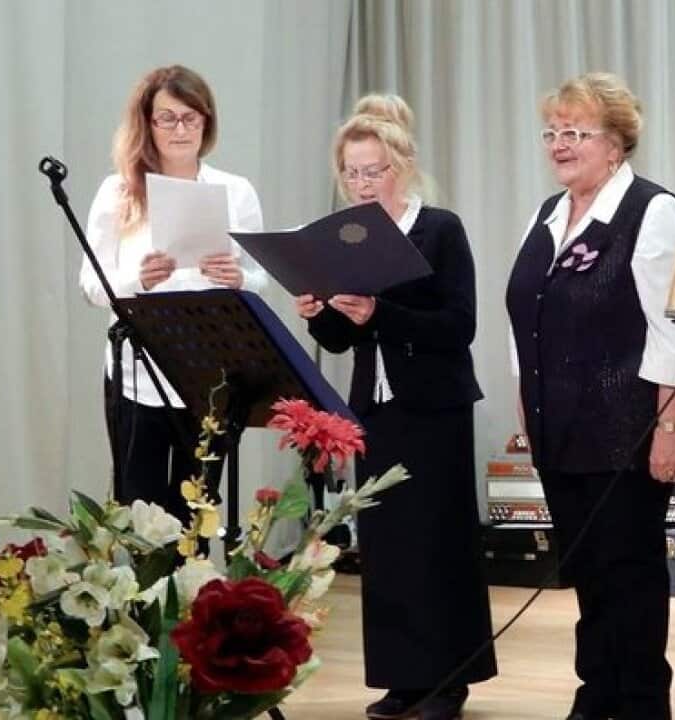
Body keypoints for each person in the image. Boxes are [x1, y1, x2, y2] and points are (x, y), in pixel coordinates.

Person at [505, 72, 675, 720]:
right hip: (560, 430)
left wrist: (670, 429)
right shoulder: (548, 213)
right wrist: (525, 414)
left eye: (576, 132)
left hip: (629, 430)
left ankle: (643, 703)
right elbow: (526, 317)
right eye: (553, 131)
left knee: (630, 575)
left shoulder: (652, 211)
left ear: (616, 143)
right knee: (588, 575)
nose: (560, 144)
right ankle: (598, 694)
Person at [294, 94, 496, 720]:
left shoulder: (439, 228)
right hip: (375, 411)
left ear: (401, 167)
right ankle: (403, 678)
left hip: (433, 408)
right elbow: (341, 340)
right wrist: (319, 314)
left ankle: (447, 681)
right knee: (385, 549)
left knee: (437, 544)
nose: (360, 182)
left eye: (372, 170)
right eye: (351, 172)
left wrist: (383, 312)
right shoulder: (347, 238)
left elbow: (457, 324)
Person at [79, 65, 268, 526]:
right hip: (136, 376)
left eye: (191, 117)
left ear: (207, 121)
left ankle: (191, 598)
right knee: (138, 513)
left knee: (195, 514)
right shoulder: (118, 191)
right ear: (148, 123)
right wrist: (137, 280)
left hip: (210, 372)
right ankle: (143, 601)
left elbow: (262, 276)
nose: (180, 129)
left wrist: (238, 277)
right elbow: (91, 285)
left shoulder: (235, 190)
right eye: (167, 118)